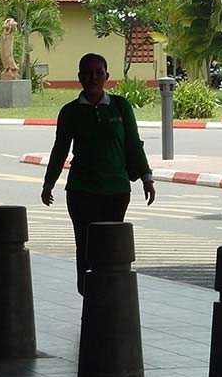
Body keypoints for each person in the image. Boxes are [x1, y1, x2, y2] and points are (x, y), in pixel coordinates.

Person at [41, 53, 156, 293]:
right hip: (81, 191)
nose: (93, 78)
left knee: (110, 245)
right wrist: (48, 183)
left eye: (98, 73)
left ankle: (109, 296)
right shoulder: (70, 112)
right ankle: (87, 293)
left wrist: (147, 178)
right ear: (79, 77)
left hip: (116, 190)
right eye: (87, 73)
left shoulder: (120, 106)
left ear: (107, 76)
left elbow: (133, 144)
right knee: (84, 244)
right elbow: (60, 149)